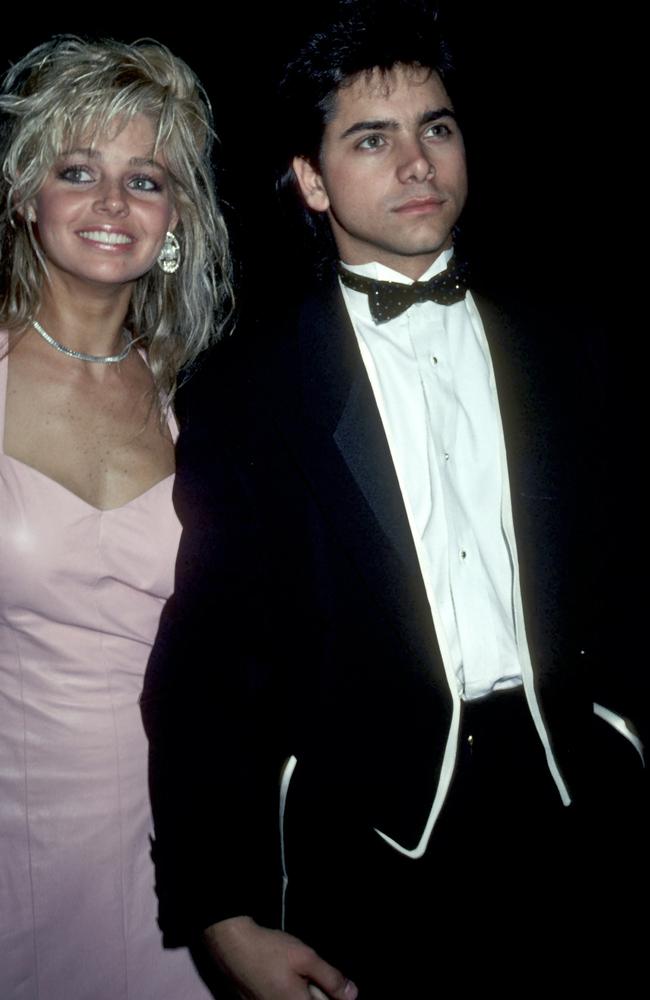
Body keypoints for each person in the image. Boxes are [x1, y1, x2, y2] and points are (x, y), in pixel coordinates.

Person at [142, 3, 647, 997]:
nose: (416, 162)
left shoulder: (572, 349)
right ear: (311, 179)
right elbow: (208, 673)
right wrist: (220, 910)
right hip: (374, 846)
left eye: (437, 127)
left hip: (580, 813)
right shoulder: (248, 396)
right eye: (371, 139)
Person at [0, 36, 231, 1000]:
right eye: (77, 171)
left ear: (174, 218)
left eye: (145, 179)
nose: (110, 204)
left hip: (180, 842)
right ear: (26, 196)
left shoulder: (207, 404)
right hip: (18, 841)